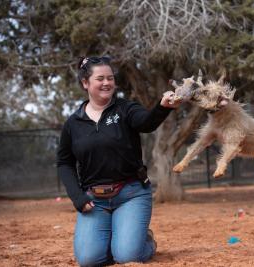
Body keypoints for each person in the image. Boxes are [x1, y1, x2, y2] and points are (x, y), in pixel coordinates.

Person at [57, 56, 181, 266]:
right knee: (88, 260)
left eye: (110, 78)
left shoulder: (125, 109)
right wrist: (77, 196)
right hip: (93, 200)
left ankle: (146, 242)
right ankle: (117, 240)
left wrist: (162, 107)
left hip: (131, 194)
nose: (107, 83)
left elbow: (146, 123)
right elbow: (64, 163)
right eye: (100, 78)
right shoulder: (73, 124)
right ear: (85, 83)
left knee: (126, 257)